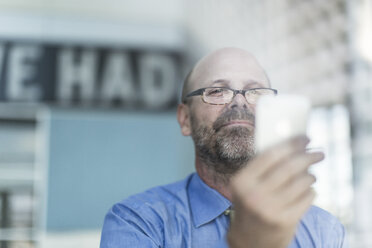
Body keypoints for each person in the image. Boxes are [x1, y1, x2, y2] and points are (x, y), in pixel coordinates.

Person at [100, 47, 347, 248]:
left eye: (256, 92)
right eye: (217, 91)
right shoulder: (137, 222)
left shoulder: (324, 230)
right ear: (185, 119)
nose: (239, 102)